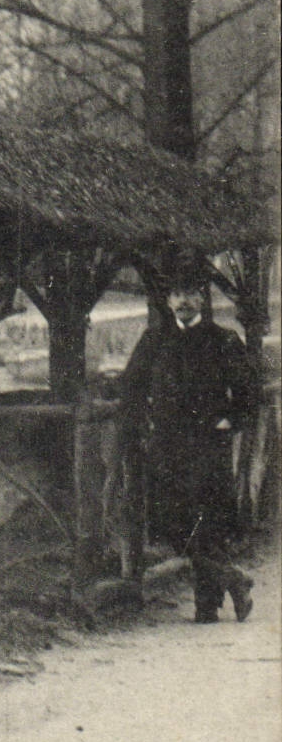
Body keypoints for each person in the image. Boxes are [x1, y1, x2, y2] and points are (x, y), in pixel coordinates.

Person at [119, 255, 263, 623]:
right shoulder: (154, 340)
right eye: (176, 294)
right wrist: (141, 424)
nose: (183, 301)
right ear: (168, 301)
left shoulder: (223, 340)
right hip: (167, 447)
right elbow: (130, 386)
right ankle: (233, 580)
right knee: (174, 523)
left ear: (202, 298)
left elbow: (249, 393)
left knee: (207, 523)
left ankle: (206, 607)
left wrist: (230, 420)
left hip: (208, 446)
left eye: (190, 294)